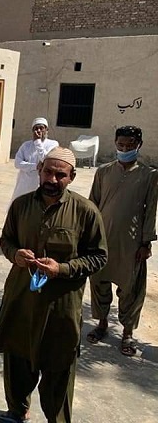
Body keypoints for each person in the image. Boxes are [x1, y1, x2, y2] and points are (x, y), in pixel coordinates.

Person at [0, 147, 107, 423]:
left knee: (59, 371)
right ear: (39, 170)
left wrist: (63, 269)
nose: (52, 179)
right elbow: (6, 240)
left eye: (60, 175)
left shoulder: (85, 211)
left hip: (61, 308)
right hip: (21, 300)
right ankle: (17, 412)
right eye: (48, 172)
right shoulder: (21, 206)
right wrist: (15, 255)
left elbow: (99, 257)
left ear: (72, 177)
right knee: (17, 361)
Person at [87, 126, 158, 356]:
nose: (124, 149)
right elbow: (92, 204)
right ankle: (102, 324)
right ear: (115, 143)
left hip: (131, 242)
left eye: (130, 145)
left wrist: (146, 243)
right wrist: (88, 234)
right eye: (121, 145)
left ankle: (127, 333)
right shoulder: (104, 172)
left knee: (131, 288)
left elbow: (150, 211)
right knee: (99, 282)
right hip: (102, 239)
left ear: (139, 145)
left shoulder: (149, 175)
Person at [10, 117, 59, 203]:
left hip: (41, 185)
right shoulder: (26, 145)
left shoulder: (53, 144)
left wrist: (37, 142)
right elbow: (17, 163)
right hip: (24, 184)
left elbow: (46, 160)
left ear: (46, 130)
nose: (39, 130)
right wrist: (35, 166)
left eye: (41, 128)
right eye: (36, 128)